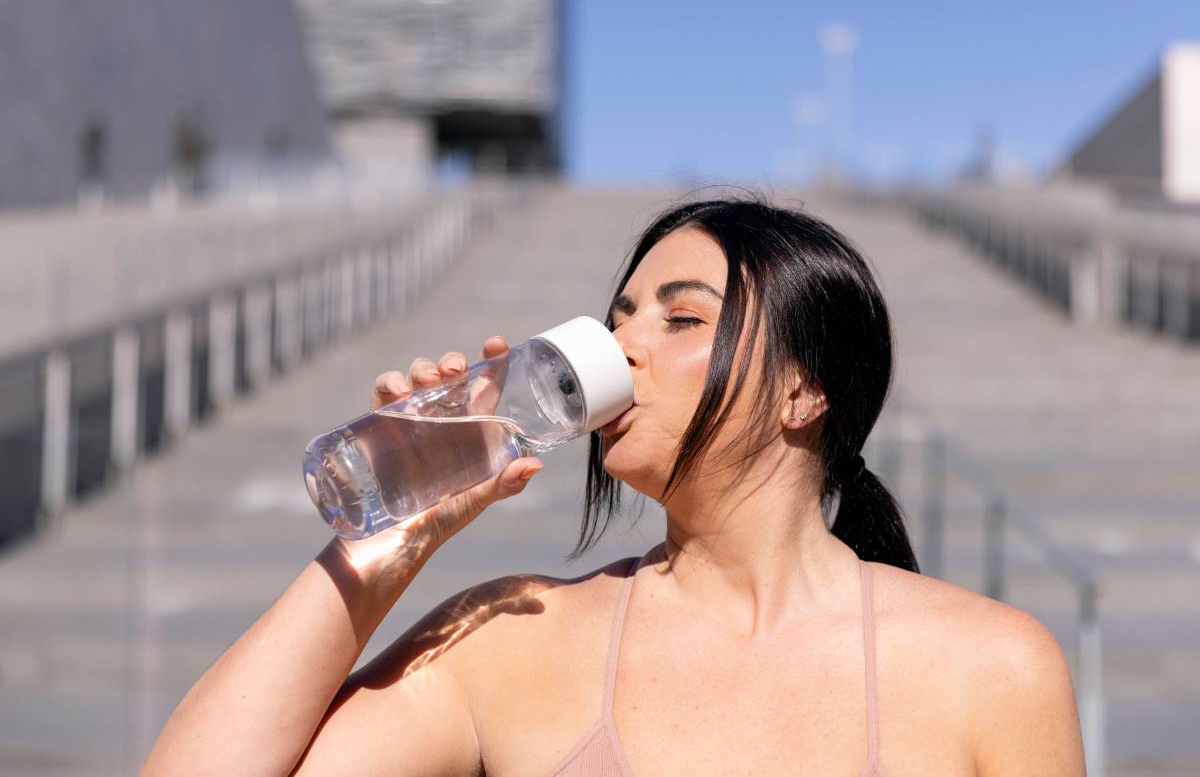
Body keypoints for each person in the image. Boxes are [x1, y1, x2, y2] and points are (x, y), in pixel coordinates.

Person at [143, 192, 1086, 775]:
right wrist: (385, 545)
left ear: (805, 390)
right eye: (618, 316)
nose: (621, 346)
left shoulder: (992, 669)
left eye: (682, 320)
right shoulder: (514, 641)